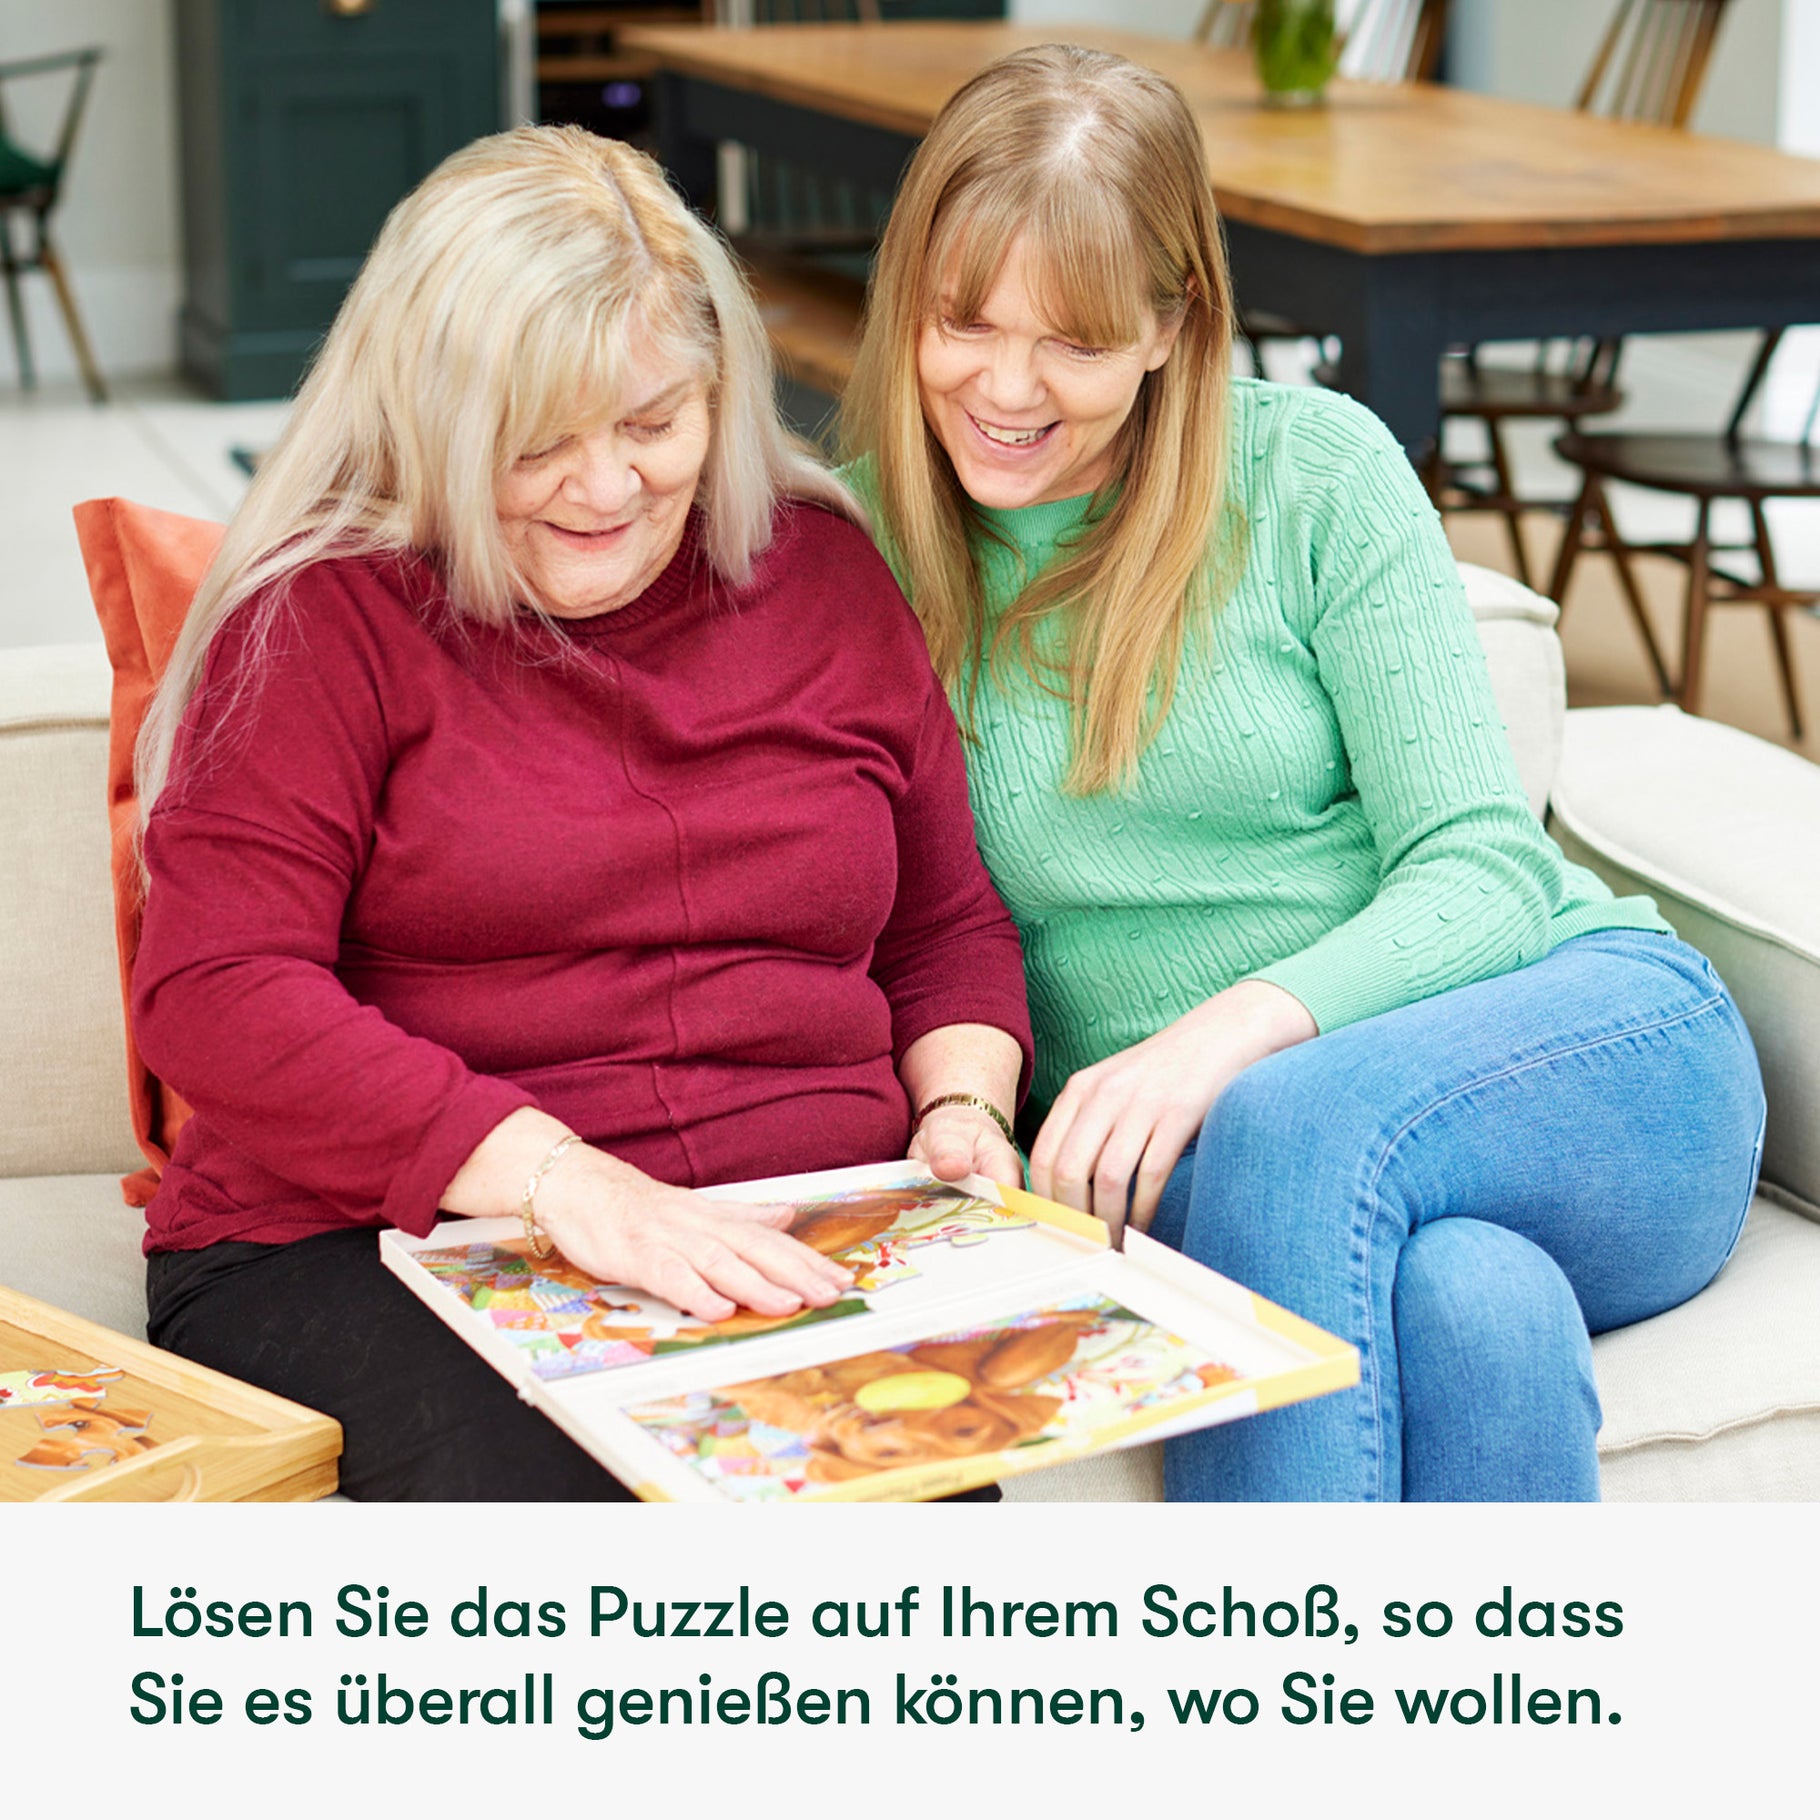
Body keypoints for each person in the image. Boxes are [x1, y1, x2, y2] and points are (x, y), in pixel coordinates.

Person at [839, 44, 1765, 1501]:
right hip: (1234, 1179)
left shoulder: (1313, 477)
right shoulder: (862, 560)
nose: (1003, 389)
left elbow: (1484, 866)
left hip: (1581, 1052)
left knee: (1287, 1114)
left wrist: (1219, 1041)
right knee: (1475, 1311)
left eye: (1073, 342)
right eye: (963, 322)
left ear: (1170, 323)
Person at [132, 126, 1030, 1501]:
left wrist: (963, 1105)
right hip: (370, 1240)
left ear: (721, 390)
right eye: (536, 446)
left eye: (655, 423)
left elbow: (943, 923)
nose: (607, 490)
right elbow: (216, 989)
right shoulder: (327, 613)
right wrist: (566, 1184)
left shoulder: (826, 572)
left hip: (780, 1232)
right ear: (430, 421)